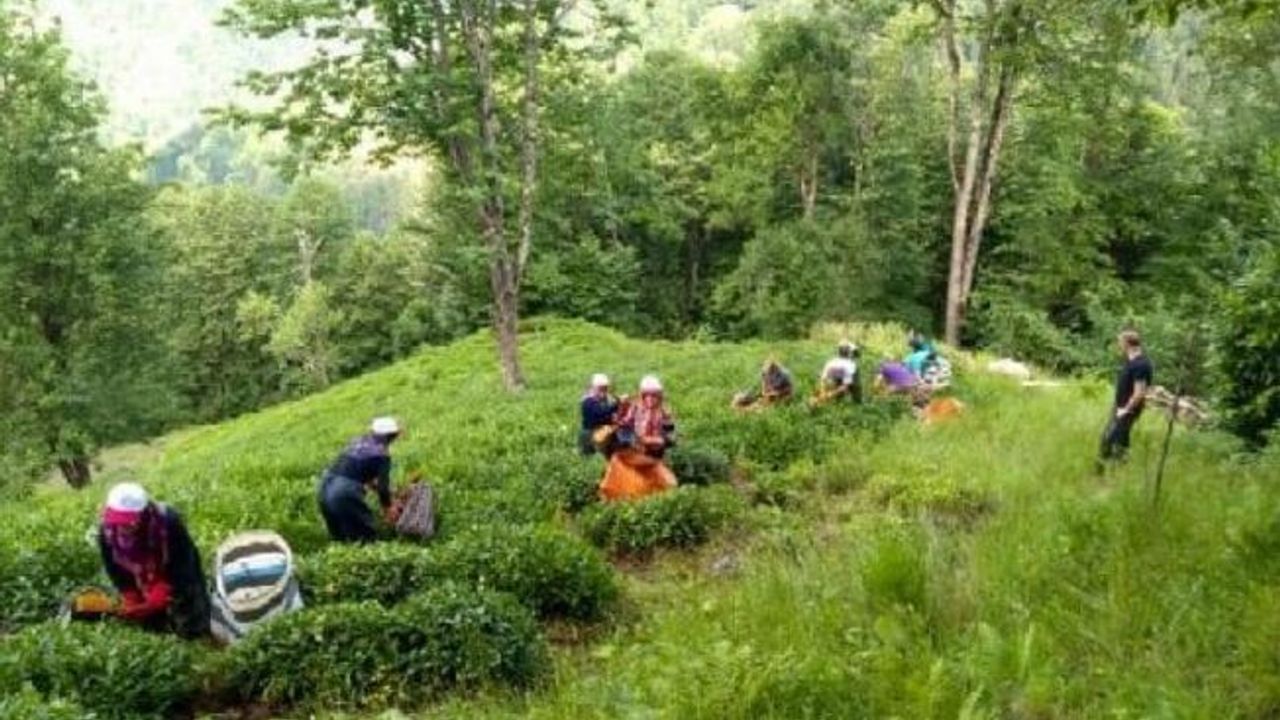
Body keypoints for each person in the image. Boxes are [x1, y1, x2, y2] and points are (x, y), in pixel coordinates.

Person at [97, 483, 210, 639]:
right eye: (117, 520)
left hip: (172, 570)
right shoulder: (106, 531)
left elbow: (184, 561)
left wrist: (166, 587)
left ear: (142, 514)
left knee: (191, 606)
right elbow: (112, 565)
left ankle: (198, 634)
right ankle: (160, 635)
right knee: (147, 617)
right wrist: (129, 592)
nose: (122, 526)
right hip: (139, 576)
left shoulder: (168, 521)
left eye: (128, 521)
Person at [318, 417, 401, 542]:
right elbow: (383, 488)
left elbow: (357, 471)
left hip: (325, 485)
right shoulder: (382, 455)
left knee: (339, 535)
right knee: (364, 535)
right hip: (344, 492)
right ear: (393, 436)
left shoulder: (357, 442)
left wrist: (388, 491)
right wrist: (389, 508)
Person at [600, 375, 678, 501]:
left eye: (654, 396)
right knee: (618, 458)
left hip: (653, 452)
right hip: (638, 447)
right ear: (642, 395)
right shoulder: (636, 407)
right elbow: (626, 422)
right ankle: (617, 492)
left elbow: (672, 436)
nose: (650, 399)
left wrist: (659, 440)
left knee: (650, 473)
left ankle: (644, 492)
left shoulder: (664, 412)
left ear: (659, 396)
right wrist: (618, 416)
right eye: (647, 395)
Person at [1098, 330, 1154, 467]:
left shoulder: (1140, 364)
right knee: (1120, 437)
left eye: (1120, 342)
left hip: (1128, 408)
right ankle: (1118, 468)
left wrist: (1125, 409)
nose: (1119, 346)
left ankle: (1102, 471)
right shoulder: (1131, 361)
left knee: (1108, 438)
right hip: (1120, 406)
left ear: (1127, 343)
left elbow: (1139, 393)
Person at [580, 373, 619, 456]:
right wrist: (616, 404)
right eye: (600, 388)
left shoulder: (606, 399)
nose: (603, 391)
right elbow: (601, 413)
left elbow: (609, 414)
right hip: (591, 433)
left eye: (605, 388)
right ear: (593, 388)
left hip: (601, 431)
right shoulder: (588, 401)